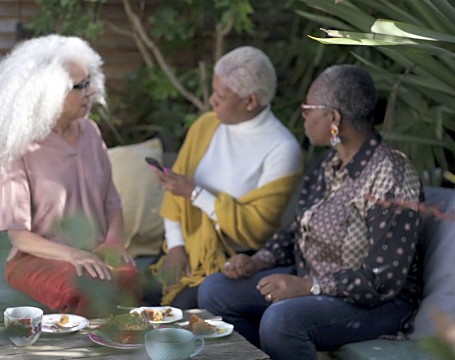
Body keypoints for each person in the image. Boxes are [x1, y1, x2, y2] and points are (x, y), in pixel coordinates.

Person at [198, 64, 424, 360]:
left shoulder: (392, 174)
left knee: (282, 321)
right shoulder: (327, 166)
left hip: (376, 304)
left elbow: (383, 279)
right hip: (314, 280)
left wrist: (308, 286)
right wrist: (256, 261)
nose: (303, 116)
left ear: (334, 118)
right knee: (215, 290)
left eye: (308, 109)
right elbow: (296, 230)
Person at [0, 35, 139, 318]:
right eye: (79, 87)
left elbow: (112, 203)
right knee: (87, 287)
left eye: (89, 82)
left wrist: (113, 242)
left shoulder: (92, 133)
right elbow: (20, 237)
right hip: (37, 257)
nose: (91, 92)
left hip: (95, 252)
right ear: (49, 92)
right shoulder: (18, 147)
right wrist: (73, 255)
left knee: (128, 277)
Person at [145, 46, 303, 309]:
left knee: (176, 314)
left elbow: (256, 229)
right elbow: (175, 193)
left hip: (232, 261)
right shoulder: (207, 124)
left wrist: (196, 194)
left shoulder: (282, 149)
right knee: (133, 299)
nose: (211, 101)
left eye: (220, 95)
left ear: (250, 101)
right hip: (185, 245)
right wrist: (175, 247)